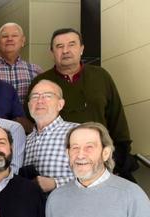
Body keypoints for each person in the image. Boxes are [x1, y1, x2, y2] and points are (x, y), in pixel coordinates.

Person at [28, 28, 132, 176]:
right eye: (59, 46)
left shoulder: (100, 76)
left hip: (104, 157)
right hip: (62, 162)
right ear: (52, 52)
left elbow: (117, 118)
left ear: (81, 49)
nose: (65, 50)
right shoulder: (41, 83)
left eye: (71, 44)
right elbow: (33, 119)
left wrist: (118, 161)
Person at [23, 80, 78, 192]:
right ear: (29, 106)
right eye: (34, 96)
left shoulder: (77, 132)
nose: (40, 101)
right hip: (35, 208)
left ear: (60, 104)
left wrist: (55, 183)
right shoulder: (25, 141)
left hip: (73, 206)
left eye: (47, 96)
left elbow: (98, 174)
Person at [0, 23, 40, 102]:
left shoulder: (35, 70)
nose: (9, 39)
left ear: (23, 41)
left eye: (14, 35)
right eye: (5, 36)